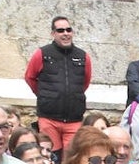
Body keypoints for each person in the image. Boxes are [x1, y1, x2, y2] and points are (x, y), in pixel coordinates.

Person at [23, 15, 92, 154]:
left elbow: (85, 82)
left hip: (74, 120)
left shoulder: (83, 56)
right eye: (60, 30)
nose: (65, 33)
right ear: (53, 34)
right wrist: (46, 96)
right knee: (51, 157)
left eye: (68, 30)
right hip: (49, 118)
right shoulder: (42, 54)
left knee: (71, 159)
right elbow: (30, 77)